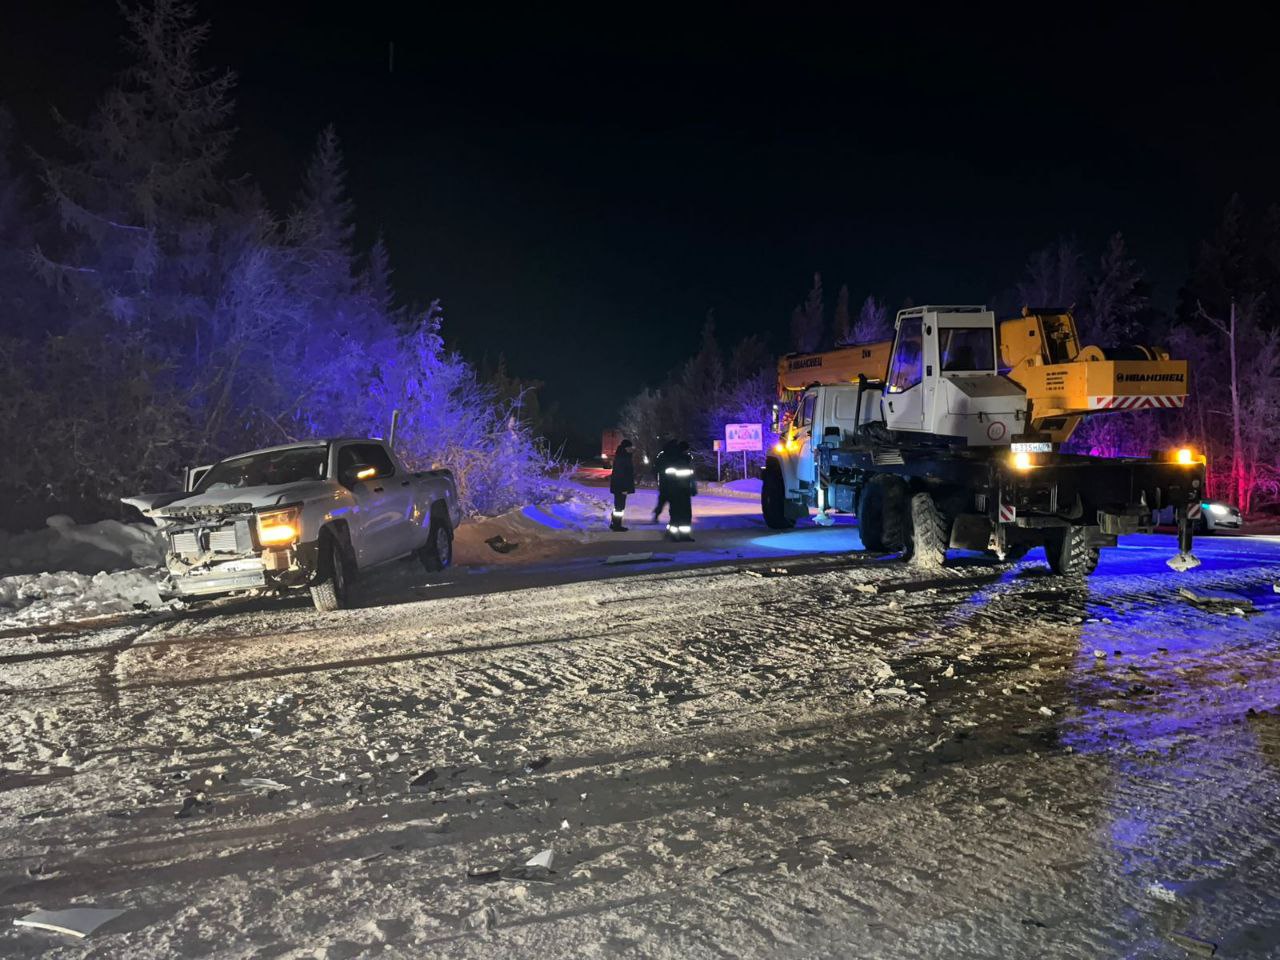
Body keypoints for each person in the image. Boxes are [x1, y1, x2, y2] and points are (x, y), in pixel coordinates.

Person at [664, 441, 697, 541]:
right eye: (687, 450)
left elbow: (691, 476)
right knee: (679, 514)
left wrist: (692, 488)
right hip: (679, 491)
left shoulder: (685, 460)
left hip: (680, 491)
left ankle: (682, 535)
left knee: (681, 514)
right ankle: (675, 535)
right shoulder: (678, 460)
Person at [608, 439, 636, 531]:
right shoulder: (623, 458)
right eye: (630, 447)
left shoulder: (622, 456)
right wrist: (624, 488)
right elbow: (621, 475)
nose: (631, 449)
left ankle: (615, 523)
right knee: (619, 506)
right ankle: (616, 525)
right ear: (625, 448)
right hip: (620, 487)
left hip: (619, 486)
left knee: (619, 506)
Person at [651, 437, 678, 524]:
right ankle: (673, 519)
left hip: (664, 483)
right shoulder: (675, 456)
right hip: (673, 483)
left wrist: (658, 480)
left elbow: (655, 469)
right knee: (674, 502)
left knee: (662, 501)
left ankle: (656, 515)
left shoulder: (662, 455)